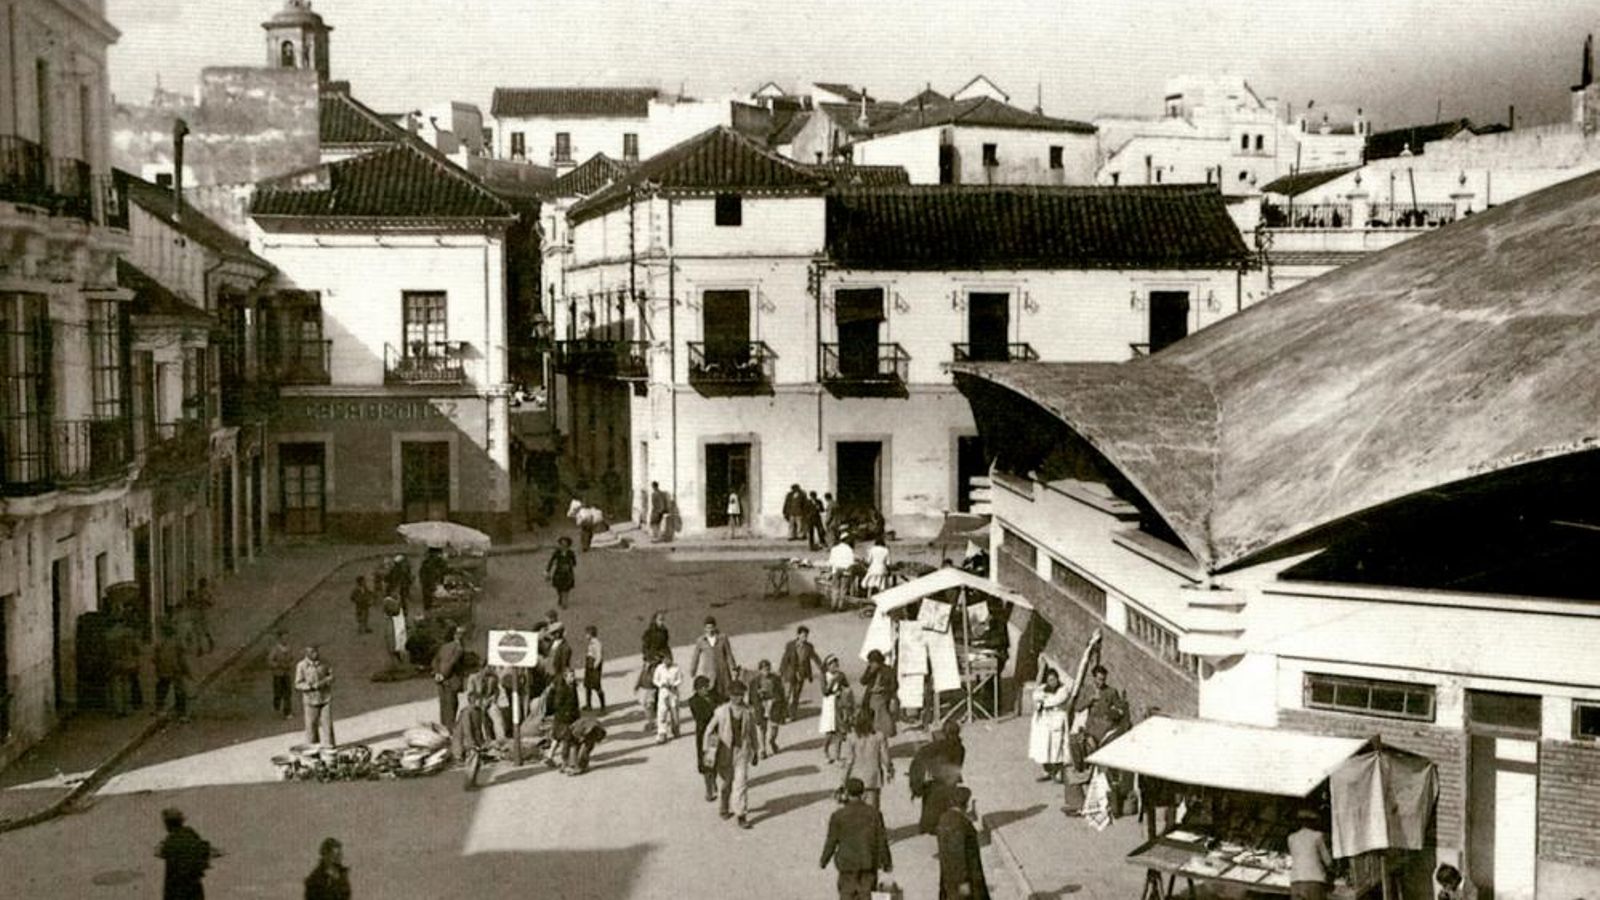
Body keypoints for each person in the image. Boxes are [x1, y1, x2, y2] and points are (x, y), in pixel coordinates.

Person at [820, 777, 893, 900]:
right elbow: (881, 841)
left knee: (846, 895)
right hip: (868, 864)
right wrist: (887, 863)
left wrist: (824, 860)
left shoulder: (838, 816)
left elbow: (831, 841)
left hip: (847, 865)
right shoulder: (874, 814)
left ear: (847, 794)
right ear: (863, 794)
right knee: (867, 895)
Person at [702, 680, 761, 829]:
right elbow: (709, 729)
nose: (738, 698)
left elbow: (753, 733)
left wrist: (756, 751)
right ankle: (724, 807)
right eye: (735, 695)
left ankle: (741, 815)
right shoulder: (721, 711)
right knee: (727, 783)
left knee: (741, 783)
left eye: (740, 695)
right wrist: (707, 751)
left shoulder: (748, 712)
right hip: (724, 753)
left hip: (742, 752)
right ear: (729, 695)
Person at [912, 721, 967, 834]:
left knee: (931, 810)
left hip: (935, 783)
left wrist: (917, 783)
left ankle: (929, 826)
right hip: (949, 783)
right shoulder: (960, 748)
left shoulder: (936, 746)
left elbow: (920, 756)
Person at [936, 785, 990, 900]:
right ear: (968, 804)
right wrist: (964, 885)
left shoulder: (944, 819)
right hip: (966, 882)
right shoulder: (961, 824)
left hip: (949, 880)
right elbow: (959, 857)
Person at [156, 807, 218, 900]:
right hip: (193, 884)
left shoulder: (170, 840)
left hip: (175, 888)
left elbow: (160, 852)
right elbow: (204, 849)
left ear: (168, 824)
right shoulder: (190, 833)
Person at [841, 708, 893, 808]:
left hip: (856, 777)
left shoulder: (852, 737)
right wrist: (890, 769)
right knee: (873, 809)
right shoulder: (879, 736)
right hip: (873, 777)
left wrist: (843, 779)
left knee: (855, 808)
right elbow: (885, 758)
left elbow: (849, 760)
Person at [1029, 668, 1072, 783]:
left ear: (1057, 679)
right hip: (1043, 723)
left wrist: (1043, 700)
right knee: (1043, 747)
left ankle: (1058, 773)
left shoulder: (1063, 690)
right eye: (1050, 680)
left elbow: (1056, 700)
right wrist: (1042, 699)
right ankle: (1047, 771)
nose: (1052, 682)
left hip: (1057, 721)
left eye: (1054, 679)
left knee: (1056, 748)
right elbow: (1035, 695)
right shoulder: (1043, 688)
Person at [295, 644, 335, 746]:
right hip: (310, 701)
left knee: (327, 725)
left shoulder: (325, 663)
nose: (315, 654)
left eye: (316, 651)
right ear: (307, 653)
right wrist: (310, 686)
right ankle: (313, 748)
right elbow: (298, 684)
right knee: (311, 726)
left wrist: (325, 681)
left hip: (325, 698)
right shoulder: (301, 666)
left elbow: (331, 676)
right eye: (312, 652)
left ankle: (329, 746)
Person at [1288, 808, 1333, 900]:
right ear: (1313, 822)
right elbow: (1328, 861)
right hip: (1314, 880)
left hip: (1296, 880)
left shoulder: (1291, 838)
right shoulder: (1318, 836)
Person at [687, 675, 720, 802]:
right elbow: (702, 717)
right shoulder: (693, 702)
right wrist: (716, 712)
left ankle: (714, 782)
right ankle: (709, 790)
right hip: (706, 736)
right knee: (708, 763)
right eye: (702, 687)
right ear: (697, 689)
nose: (705, 689)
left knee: (716, 762)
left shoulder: (715, 696)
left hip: (717, 733)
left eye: (707, 686)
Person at [689, 616, 738, 700]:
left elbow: (729, 654)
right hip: (709, 672)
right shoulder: (701, 640)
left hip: (722, 670)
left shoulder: (723, 638)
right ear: (704, 628)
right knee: (710, 692)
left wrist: (733, 668)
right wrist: (693, 669)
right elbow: (695, 656)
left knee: (725, 692)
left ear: (715, 627)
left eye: (712, 627)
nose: (710, 630)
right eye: (708, 628)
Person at [819, 655, 857, 765]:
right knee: (830, 732)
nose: (835, 666)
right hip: (829, 705)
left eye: (836, 664)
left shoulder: (841, 675)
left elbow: (847, 687)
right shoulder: (824, 676)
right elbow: (825, 692)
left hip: (839, 704)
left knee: (840, 731)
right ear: (827, 666)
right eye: (832, 665)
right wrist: (833, 681)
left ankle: (837, 757)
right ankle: (825, 750)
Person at [779, 625, 824, 713]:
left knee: (796, 695)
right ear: (798, 635)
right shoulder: (790, 645)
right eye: (803, 636)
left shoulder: (809, 647)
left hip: (801, 674)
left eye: (806, 636)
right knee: (787, 694)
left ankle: (793, 713)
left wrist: (822, 667)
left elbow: (815, 657)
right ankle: (783, 713)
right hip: (790, 673)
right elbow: (785, 659)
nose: (805, 638)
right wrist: (781, 671)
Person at [545, 668, 582, 769]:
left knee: (558, 738)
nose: (573, 678)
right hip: (563, 718)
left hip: (569, 717)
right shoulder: (562, 690)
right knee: (567, 739)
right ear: (565, 678)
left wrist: (577, 714)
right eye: (571, 676)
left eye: (573, 676)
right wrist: (566, 713)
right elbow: (557, 705)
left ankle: (550, 757)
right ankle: (565, 763)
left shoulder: (572, 687)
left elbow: (576, 702)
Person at [750, 659, 787, 757]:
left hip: (774, 704)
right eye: (763, 669)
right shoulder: (755, 681)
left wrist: (783, 706)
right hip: (761, 705)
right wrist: (757, 697)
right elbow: (751, 696)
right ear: (759, 670)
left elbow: (781, 694)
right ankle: (763, 749)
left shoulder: (776, 679)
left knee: (774, 727)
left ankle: (772, 741)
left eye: (767, 668)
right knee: (762, 728)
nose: (765, 670)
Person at [154, 622, 191, 722]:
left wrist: (157, 669)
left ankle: (159, 709)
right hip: (175, 669)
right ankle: (181, 714)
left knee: (162, 688)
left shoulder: (159, 642)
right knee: (179, 691)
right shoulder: (177, 642)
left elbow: (155, 658)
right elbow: (182, 659)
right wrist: (187, 671)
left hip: (163, 669)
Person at [432, 625, 468, 728]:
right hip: (451, 679)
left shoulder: (444, 646)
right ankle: (449, 728)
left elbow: (435, 661)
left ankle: (443, 726)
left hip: (440, 679)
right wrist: (443, 675)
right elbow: (452, 663)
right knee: (451, 704)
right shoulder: (459, 648)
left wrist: (437, 673)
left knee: (443, 704)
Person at [860, 650, 896, 739]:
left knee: (882, 726)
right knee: (871, 725)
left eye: (873, 662)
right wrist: (871, 672)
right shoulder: (870, 669)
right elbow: (862, 681)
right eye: (870, 662)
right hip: (870, 700)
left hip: (883, 700)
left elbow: (894, 686)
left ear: (878, 661)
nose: (871, 664)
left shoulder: (888, 670)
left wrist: (882, 689)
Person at [654, 649, 684, 742]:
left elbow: (680, 679)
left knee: (674, 713)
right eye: (665, 659)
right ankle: (662, 732)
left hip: (673, 693)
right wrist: (661, 684)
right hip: (663, 693)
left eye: (669, 659)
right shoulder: (659, 668)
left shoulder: (676, 668)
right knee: (662, 713)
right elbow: (655, 680)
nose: (667, 661)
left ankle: (676, 729)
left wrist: (674, 684)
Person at [267, 629, 295, 719]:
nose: (285, 640)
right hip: (278, 674)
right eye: (283, 638)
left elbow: (292, 659)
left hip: (287, 674)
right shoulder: (275, 649)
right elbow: (270, 661)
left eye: (287, 637)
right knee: (278, 693)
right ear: (279, 639)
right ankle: (277, 708)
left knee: (288, 693)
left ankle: (287, 711)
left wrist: (290, 665)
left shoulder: (289, 648)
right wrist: (278, 665)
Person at [827, 535, 858, 612]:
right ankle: (841, 606)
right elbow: (851, 562)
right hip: (846, 571)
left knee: (835, 589)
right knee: (843, 589)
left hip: (836, 570)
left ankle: (833, 605)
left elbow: (831, 562)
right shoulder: (849, 550)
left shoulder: (834, 549)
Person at [546, 536, 578, 607]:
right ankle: (560, 597)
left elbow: (574, 563)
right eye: (562, 544)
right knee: (559, 587)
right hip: (559, 572)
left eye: (565, 544)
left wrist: (569, 565)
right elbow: (551, 561)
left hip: (568, 572)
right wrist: (548, 571)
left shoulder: (571, 553)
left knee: (566, 587)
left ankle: (564, 602)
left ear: (568, 545)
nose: (563, 546)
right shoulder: (557, 553)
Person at [636, 653, 661, 736]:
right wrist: (637, 685)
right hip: (644, 689)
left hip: (651, 689)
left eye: (647, 661)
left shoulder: (654, 669)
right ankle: (651, 721)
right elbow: (641, 676)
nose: (646, 662)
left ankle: (651, 722)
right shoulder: (644, 668)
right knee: (645, 706)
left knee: (649, 706)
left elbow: (655, 679)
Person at [190, 578, 216, 655]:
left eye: (202, 585)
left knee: (205, 630)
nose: (201, 586)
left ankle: (211, 642)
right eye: (200, 585)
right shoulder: (197, 592)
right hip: (197, 612)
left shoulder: (207, 593)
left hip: (205, 613)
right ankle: (200, 648)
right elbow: (194, 601)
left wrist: (206, 601)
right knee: (197, 631)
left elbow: (212, 602)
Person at [583, 624, 606, 710]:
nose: (585, 636)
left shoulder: (597, 643)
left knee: (597, 685)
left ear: (590, 634)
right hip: (589, 665)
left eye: (586, 634)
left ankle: (602, 705)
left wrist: (595, 667)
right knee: (587, 685)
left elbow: (599, 656)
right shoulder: (591, 643)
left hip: (594, 666)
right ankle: (588, 705)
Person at [419, 548, 447, 613]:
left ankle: (429, 610)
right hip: (432, 583)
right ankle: (430, 611)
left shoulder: (427, 562)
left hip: (430, 583)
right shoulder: (438, 561)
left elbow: (422, 574)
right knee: (432, 599)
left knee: (429, 599)